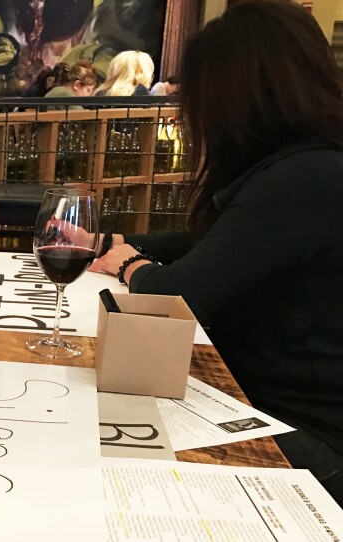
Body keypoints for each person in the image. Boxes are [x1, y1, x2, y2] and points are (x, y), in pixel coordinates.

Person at [90, 0, 343, 502]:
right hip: (256, 403)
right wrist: (111, 243)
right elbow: (218, 243)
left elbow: (177, 296)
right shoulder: (307, 166)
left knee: (96, 442)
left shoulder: (304, 180)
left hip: (305, 438)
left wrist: (131, 265)